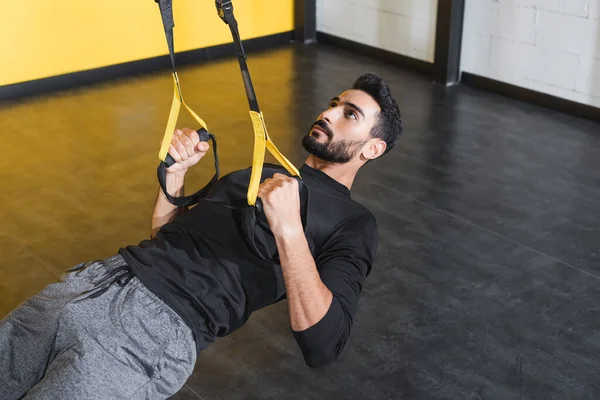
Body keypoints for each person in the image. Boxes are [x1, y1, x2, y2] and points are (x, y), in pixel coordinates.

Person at [0, 73, 403, 399]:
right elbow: (166, 236)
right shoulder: (259, 174)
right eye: (333, 103)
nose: (329, 113)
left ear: (373, 148)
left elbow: (324, 343)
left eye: (350, 114)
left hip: (147, 335)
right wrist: (175, 175)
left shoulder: (354, 223)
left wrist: (290, 230)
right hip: (92, 284)